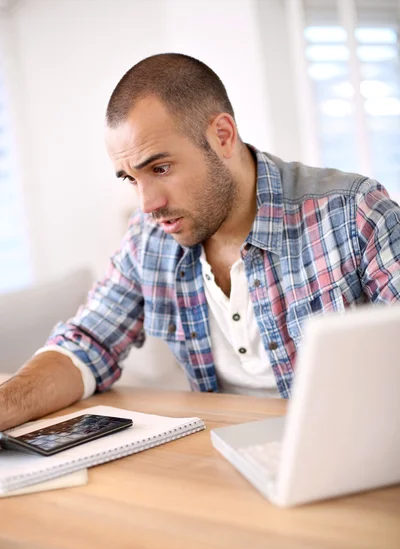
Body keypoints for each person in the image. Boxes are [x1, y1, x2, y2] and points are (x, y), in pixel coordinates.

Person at [1, 53, 400, 431]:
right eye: (131, 178)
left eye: (161, 167)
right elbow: (85, 345)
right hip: (225, 460)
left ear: (222, 135)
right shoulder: (148, 240)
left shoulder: (352, 212)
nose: (148, 204)